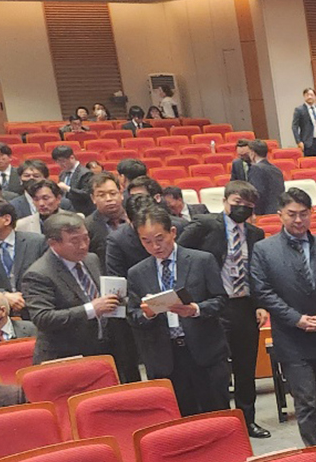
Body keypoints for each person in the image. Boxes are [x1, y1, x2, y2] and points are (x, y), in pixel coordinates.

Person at [251, 187, 316, 446]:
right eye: (292, 214)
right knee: (306, 401)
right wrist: (296, 319)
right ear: (280, 215)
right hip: (291, 336)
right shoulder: (264, 250)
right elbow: (263, 292)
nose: (298, 220)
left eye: (304, 214)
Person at [179, 181, 270, 437]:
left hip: (244, 305)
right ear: (225, 201)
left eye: (247, 205)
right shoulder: (205, 225)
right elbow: (182, 256)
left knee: (245, 366)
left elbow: (257, 272)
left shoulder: (255, 233)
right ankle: (221, 423)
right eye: (237, 203)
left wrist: (260, 304)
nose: (241, 208)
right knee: (217, 368)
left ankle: (247, 420)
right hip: (214, 304)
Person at [126, 206, 229, 415]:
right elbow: (132, 315)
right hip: (166, 358)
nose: (155, 246)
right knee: (180, 419)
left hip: (204, 352)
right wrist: (147, 314)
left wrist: (195, 310)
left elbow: (221, 300)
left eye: (160, 239)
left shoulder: (202, 260)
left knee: (217, 414)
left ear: (172, 232)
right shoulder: (137, 272)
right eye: (146, 241)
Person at [18, 213, 122, 366]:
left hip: (102, 347)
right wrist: (91, 309)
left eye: (86, 238)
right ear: (53, 243)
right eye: (74, 241)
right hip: (66, 355)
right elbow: (43, 318)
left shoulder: (91, 259)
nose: (83, 245)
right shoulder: (38, 274)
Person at [78, 172, 141, 382]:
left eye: (113, 193)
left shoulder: (137, 219)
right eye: (102, 195)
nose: (109, 199)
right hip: (112, 300)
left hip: (142, 290)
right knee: (125, 357)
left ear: (121, 193)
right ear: (93, 198)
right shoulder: (87, 227)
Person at [234, 139, 285, 215]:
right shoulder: (276, 169)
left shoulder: (255, 168)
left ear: (252, 153)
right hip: (278, 211)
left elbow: (257, 194)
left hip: (264, 213)